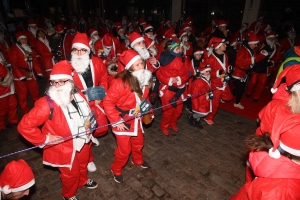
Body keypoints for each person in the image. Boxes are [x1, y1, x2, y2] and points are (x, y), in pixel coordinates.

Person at [17, 61, 98, 200]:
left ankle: (83, 181)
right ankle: (69, 195)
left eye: (62, 81)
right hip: (65, 148)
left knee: (83, 164)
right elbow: (24, 126)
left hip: (84, 141)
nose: (58, 86)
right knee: (70, 174)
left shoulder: (79, 95)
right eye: (54, 82)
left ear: (71, 82)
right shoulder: (46, 104)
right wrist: (44, 139)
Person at [103, 49, 152, 183]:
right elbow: (107, 102)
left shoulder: (144, 79)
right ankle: (116, 168)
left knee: (138, 142)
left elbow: (144, 100)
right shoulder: (120, 83)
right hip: (122, 120)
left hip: (136, 119)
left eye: (141, 63)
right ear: (130, 67)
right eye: (137, 65)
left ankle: (137, 159)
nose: (141, 66)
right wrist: (116, 120)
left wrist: (149, 111)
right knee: (124, 150)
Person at [69, 32, 109, 172]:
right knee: (84, 133)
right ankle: (89, 160)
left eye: (83, 50)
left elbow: (104, 76)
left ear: (88, 50)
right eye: (76, 50)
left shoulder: (97, 62)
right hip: (79, 104)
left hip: (96, 99)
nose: (79, 53)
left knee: (102, 128)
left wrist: (101, 93)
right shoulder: (68, 67)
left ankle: (92, 135)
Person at [156, 38, 191, 135]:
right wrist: (170, 80)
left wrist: (180, 79)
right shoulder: (164, 61)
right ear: (170, 50)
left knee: (178, 110)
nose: (180, 50)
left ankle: (173, 123)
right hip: (168, 89)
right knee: (168, 111)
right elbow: (159, 74)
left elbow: (188, 72)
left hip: (180, 89)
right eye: (177, 49)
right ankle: (164, 126)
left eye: (180, 48)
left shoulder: (185, 59)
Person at [9, 31, 42, 114]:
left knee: (35, 91)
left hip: (30, 74)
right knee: (22, 95)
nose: (24, 41)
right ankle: (25, 112)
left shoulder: (29, 48)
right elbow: (14, 64)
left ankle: (38, 108)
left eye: (25, 39)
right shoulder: (14, 49)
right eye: (22, 39)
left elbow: (35, 62)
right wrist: (20, 76)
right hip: (20, 76)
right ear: (18, 40)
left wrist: (39, 72)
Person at [204, 37, 233, 125]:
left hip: (223, 81)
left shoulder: (225, 55)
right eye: (223, 44)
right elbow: (206, 72)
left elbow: (225, 66)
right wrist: (217, 73)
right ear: (218, 46)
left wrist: (229, 68)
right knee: (215, 103)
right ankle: (208, 117)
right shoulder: (210, 58)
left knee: (228, 97)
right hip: (215, 83)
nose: (226, 46)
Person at [246, 32, 281, 102]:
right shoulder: (260, 44)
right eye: (270, 38)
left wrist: (272, 62)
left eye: (273, 38)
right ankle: (248, 92)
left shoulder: (276, 47)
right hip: (257, 66)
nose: (272, 39)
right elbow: (254, 54)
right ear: (267, 38)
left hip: (266, 68)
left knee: (262, 84)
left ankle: (256, 97)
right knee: (253, 81)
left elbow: (277, 56)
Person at [231, 32, 259, 109]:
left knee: (241, 89)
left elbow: (253, 60)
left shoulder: (252, 50)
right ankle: (225, 95)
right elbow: (238, 62)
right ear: (250, 43)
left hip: (244, 74)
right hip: (238, 73)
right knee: (239, 89)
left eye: (256, 44)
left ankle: (236, 102)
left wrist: (252, 65)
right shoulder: (242, 51)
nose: (256, 46)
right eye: (255, 44)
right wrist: (251, 60)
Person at [187, 62, 213, 129]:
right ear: (202, 72)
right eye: (206, 71)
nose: (208, 73)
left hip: (205, 100)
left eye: (209, 71)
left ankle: (196, 121)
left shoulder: (208, 78)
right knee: (203, 113)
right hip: (199, 100)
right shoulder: (198, 81)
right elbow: (194, 95)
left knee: (205, 112)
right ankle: (192, 116)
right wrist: (196, 105)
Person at [0, 53, 18, 132]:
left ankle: (13, 120)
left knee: (13, 104)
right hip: (2, 89)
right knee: (3, 109)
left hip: (9, 86)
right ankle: (1, 125)